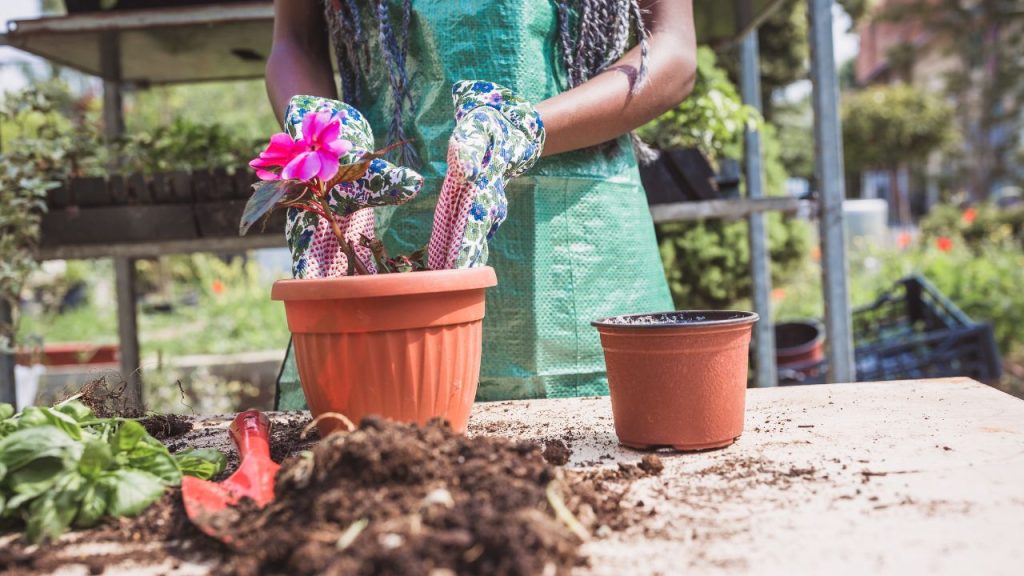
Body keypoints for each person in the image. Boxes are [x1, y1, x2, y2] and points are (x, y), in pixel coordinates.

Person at [267, 0, 697, 408]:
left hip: (577, 244)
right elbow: (295, 42)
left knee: (605, 450)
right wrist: (321, 137)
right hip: (380, 213)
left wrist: (520, 128)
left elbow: (673, 53)